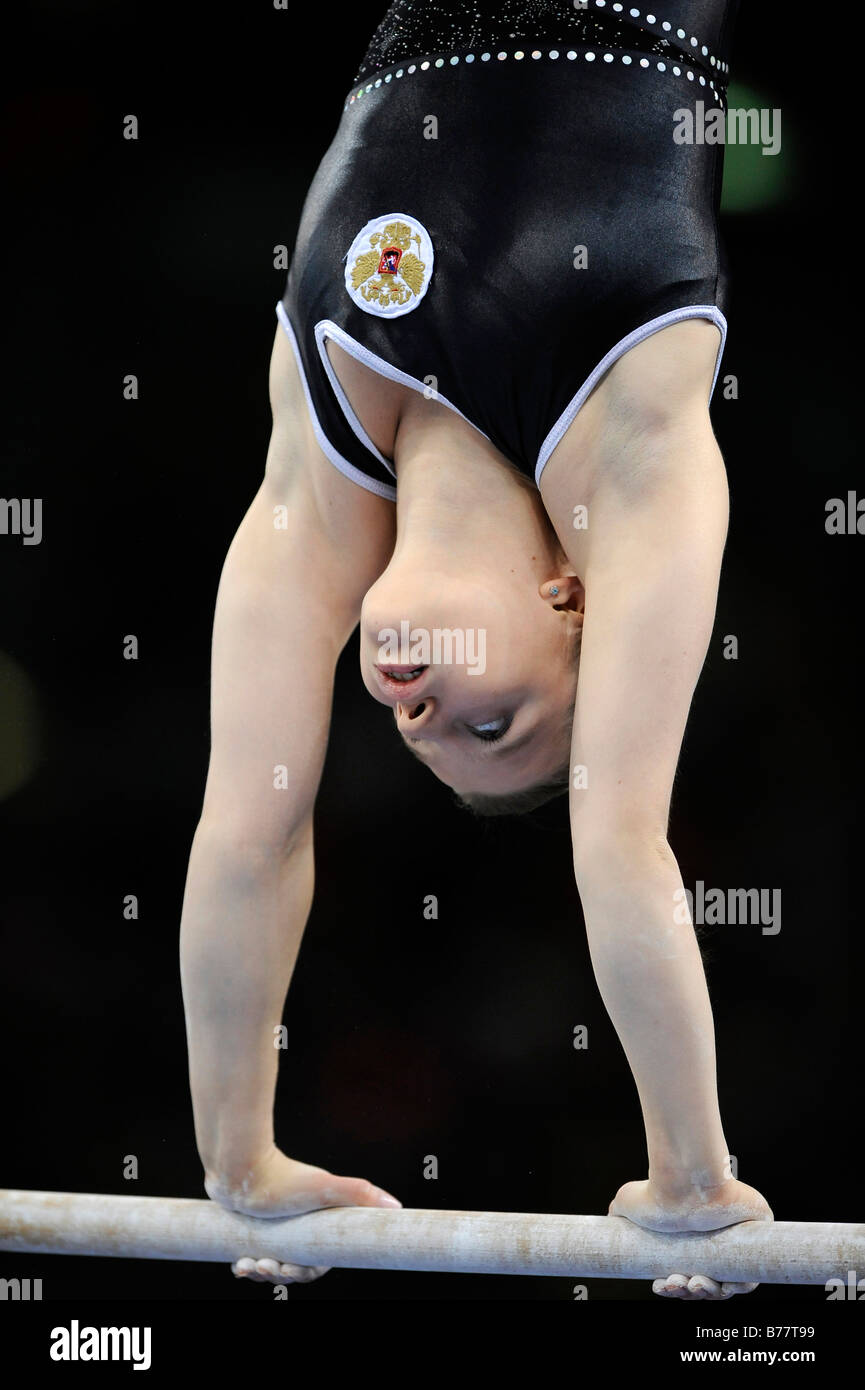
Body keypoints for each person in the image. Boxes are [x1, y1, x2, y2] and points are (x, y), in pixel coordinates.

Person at [179, 0, 772, 1299]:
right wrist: (688, 1173)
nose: (415, 709)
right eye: (493, 723)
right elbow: (621, 841)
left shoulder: (317, 485)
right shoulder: (636, 464)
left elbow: (250, 829)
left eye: (414, 734)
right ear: (577, 608)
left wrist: (238, 1160)